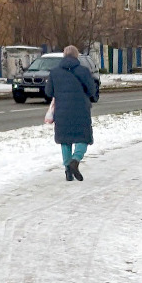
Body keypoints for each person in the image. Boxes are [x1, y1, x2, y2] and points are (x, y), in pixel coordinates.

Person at [45, 44, 102, 181]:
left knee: (65, 140)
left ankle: (68, 171)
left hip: (62, 111)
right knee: (83, 138)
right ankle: (75, 161)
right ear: (77, 56)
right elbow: (91, 91)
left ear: (64, 55)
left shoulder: (54, 72)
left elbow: (48, 92)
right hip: (81, 110)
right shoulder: (84, 71)